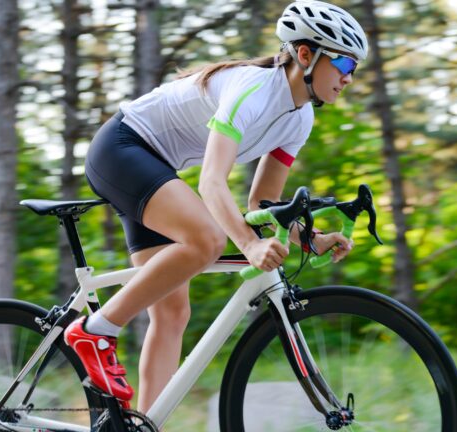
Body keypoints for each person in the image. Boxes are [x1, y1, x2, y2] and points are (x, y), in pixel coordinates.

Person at [64, 0, 369, 412]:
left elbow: (262, 202)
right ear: (305, 55)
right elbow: (211, 181)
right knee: (207, 239)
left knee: (172, 313)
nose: (350, 79)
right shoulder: (255, 89)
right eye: (345, 66)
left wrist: (308, 239)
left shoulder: (299, 119)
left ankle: (147, 424)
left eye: (356, 70)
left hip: (153, 166)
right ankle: (95, 331)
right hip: (122, 147)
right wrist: (249, 245)